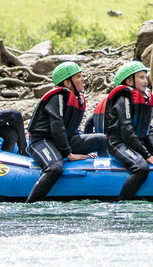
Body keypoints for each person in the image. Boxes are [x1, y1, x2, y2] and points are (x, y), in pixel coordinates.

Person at [25, 62, 104, 203]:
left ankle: (109, 178)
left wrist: (82, 146)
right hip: (42, 141)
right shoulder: (58, 97)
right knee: (55, 168)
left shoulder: (77, 97)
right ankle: (29, 206)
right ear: (67, 82)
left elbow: (71, 129)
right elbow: (57, 127)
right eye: (78, 77)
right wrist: (69, 154)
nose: (83, 79)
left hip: (65, 141)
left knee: (101, 139)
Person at [104, 61, 153, 200]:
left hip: (136, 142)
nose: (146, 81)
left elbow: (149, 129)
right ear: (129, 81)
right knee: (141, 168)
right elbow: (127, 132)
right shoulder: (123, 99)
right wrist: (147, 156)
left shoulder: (143, 98)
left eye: (146, 77)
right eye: (141, 77)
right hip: (118, 143)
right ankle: (121, 203)